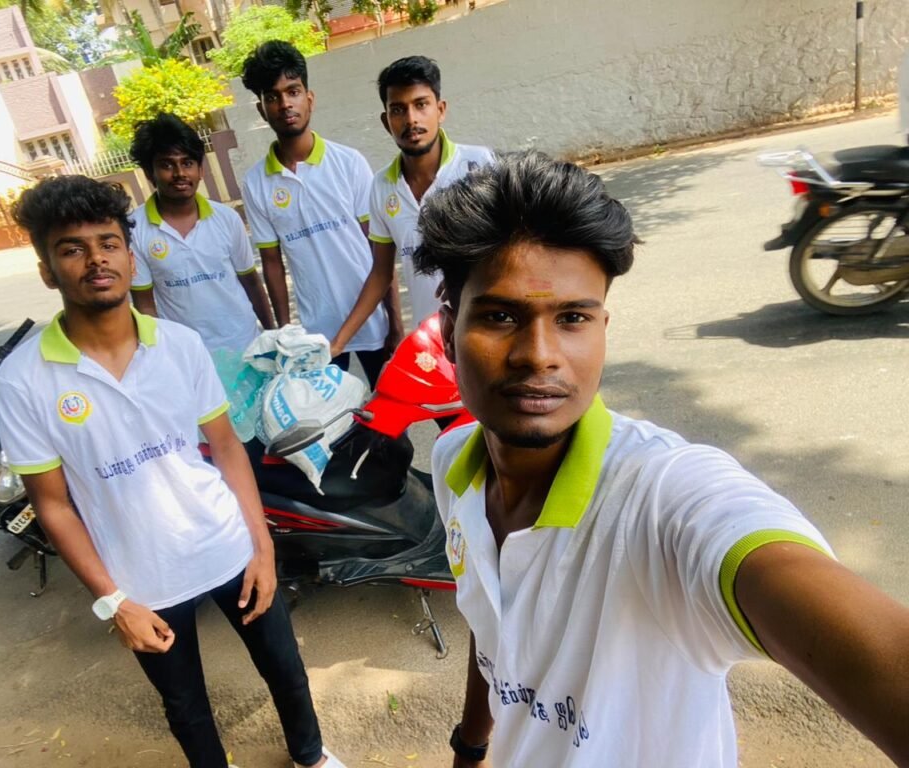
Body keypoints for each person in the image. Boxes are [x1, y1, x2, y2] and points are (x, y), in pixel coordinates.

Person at [413, 152, 909, 767]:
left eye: (572, 318)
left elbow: (812, 597)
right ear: (447, 330)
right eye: (500, 316)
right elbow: (492, 621)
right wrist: (470, 745)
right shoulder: (453, 463)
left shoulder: (662, 496)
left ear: (603, 327)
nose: (538, 355)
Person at [0, 175, 346, 768]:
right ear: (47, 271)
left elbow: (226, 446)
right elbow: (52, 504)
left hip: (226, 546)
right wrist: (113, 602)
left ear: (131, 259)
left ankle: (311, 756)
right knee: (185, 707)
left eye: (108, 243)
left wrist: (261, 546)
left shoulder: (179, 344)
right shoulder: (23, 379)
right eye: (72, 249)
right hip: (141, 580)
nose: (96, 260)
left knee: (284, 668)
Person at [239, 40, 401, 389]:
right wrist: (285, 334)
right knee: (331, 418)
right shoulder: (255, 183)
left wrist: (396, 323)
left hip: (372, 321)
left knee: (390, 415)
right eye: (272, 96)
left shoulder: (348, 162)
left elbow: (380, 250)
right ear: (262, 109)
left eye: (293, 91)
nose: (285, 104)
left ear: (309, 98)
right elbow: (272, 264)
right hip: (316, 334)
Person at [331, 56, 493, 355]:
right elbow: (381, 274)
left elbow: (514, 244)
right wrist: (337, 344)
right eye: (398, 109)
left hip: (489, 330)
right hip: (431, 342)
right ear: (386, 121)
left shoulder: (478, 165)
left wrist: (465, 273)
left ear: (440, 110)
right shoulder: (381, 186)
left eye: (421, 104)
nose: (411, 119)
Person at [129, 113, 275, 353]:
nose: (180, 173)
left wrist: (271, 335)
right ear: (149, 172)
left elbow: (251, 282)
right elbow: (145, 306)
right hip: (188, 355)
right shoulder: (135, 229)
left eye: (187, 163)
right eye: (167, 165)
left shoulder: (226, 218)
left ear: (200, 170)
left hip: (246, 346)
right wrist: (160, 355)